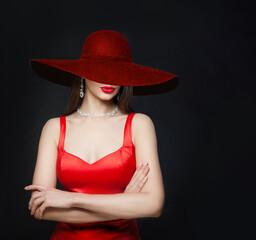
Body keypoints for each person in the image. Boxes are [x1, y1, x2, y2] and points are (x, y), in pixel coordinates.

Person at [24, 30, 179, 239]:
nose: (111, 80)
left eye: (118, 72)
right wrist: (123, 205)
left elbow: (153, 205)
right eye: (100, 70)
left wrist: (71, 199)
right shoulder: (53, 128)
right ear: (82, 73)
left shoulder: (139, 124)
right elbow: (41, 208)